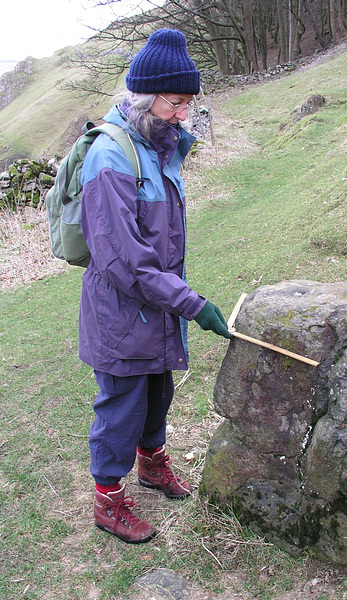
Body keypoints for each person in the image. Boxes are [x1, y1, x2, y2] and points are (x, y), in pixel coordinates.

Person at [78, 28, 232, 544]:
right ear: (146, 98)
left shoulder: (161, 146)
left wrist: (178, 303)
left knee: (158, 393)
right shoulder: (111, 156)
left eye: (189, 103)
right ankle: (108, 500)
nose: (184, 114)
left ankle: (152, 465)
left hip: (156, 308)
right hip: (123, 313)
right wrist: (192, 304)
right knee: (121, 405)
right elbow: (126, 262)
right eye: (177, 103)